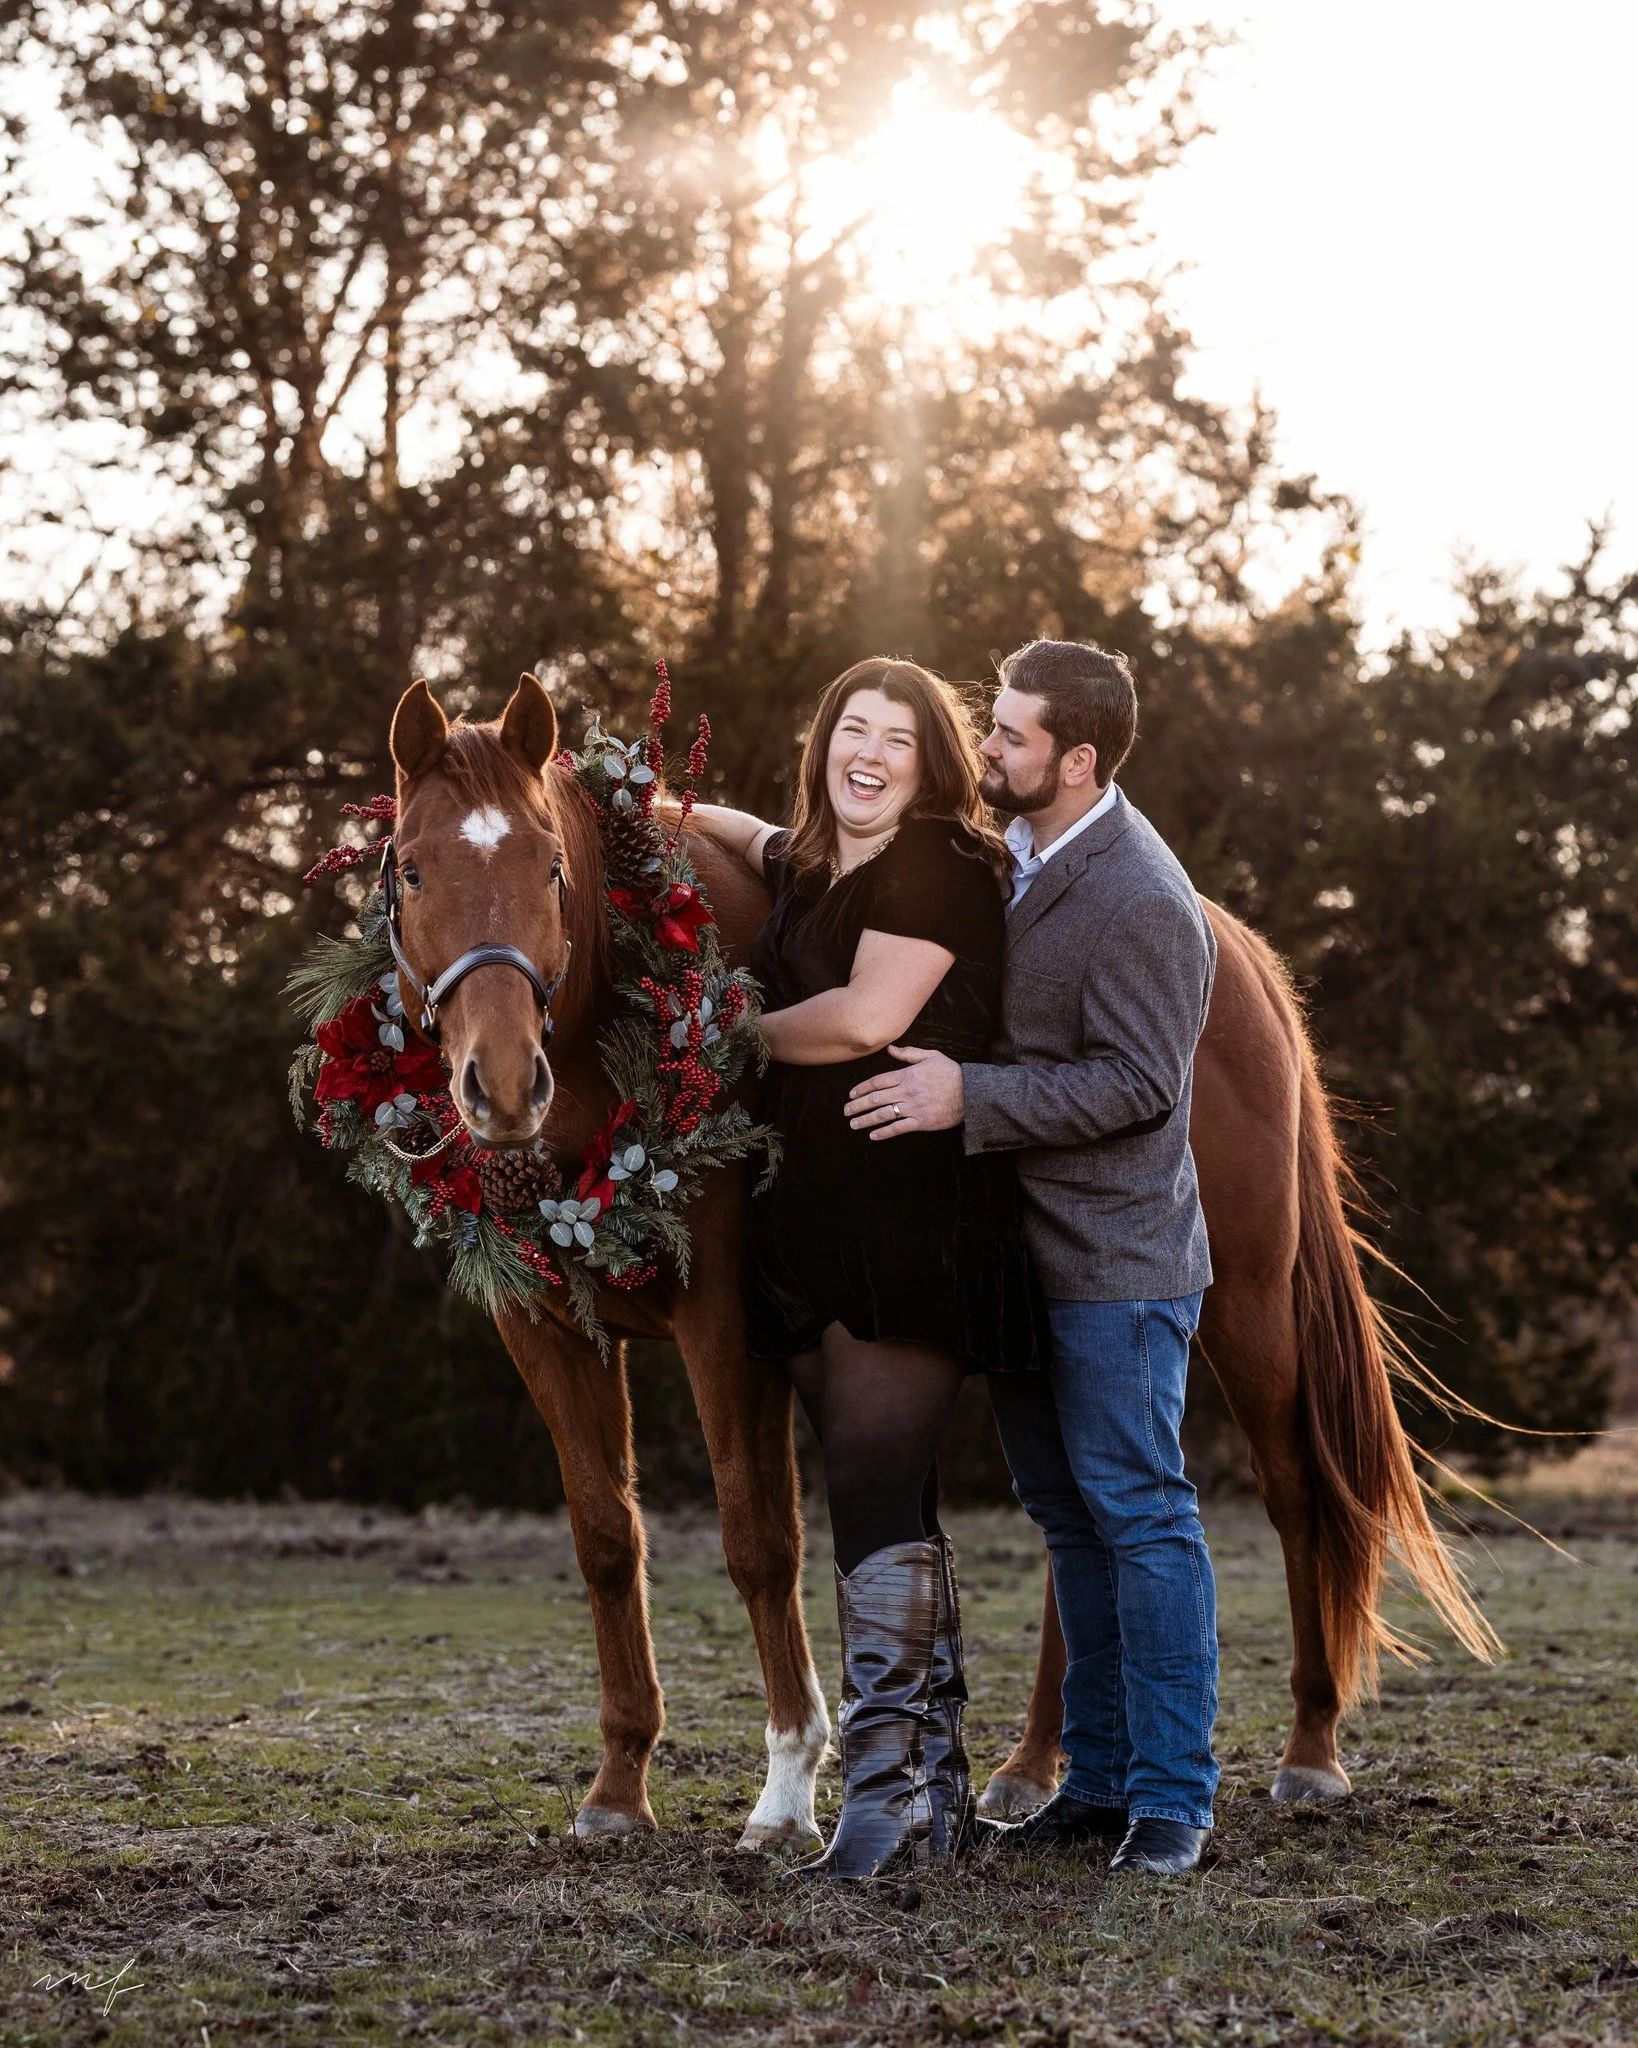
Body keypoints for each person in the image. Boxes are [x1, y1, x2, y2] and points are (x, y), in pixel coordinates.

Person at [845, 638, 1220, 1876]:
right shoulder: (1004, 852)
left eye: (1008, 736)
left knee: (1143, 1518)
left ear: (1078, 757)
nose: (986, 749)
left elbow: (1140, 1085)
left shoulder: (1145, 899)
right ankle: (1098, 1782)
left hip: (1117, 1262)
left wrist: (972, 1095)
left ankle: (1173, 1799)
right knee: (1069, 1521)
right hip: (1015, 1257)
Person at [691, 657, 1046, 1880]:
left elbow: (860, 1017)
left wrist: (712, 1040)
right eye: (854, 726)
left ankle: (890, 1804)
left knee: (879, 1488)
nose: (873, 751)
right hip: (810, 1226)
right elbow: (750, 829)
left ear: (932, 762)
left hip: (912, 1220)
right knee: (865, 1496)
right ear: (824, 740)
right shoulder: (814, 859)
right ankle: (925, 1784)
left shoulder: (939, 861)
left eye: (900, 735)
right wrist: (652, 804)